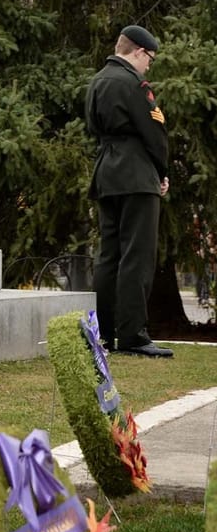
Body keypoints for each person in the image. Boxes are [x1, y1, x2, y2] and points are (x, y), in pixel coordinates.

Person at [86, 25, 172, 357]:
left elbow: (94, 128)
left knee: (109, 256)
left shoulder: (98, 81)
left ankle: (104, 334)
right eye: (149, 58)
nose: (149, 65)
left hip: (107, 173)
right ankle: (133, 335)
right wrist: (161, 172)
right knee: (137, 255)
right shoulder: (134, 84)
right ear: (138, 51)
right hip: (136, 174)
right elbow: (154, 132)